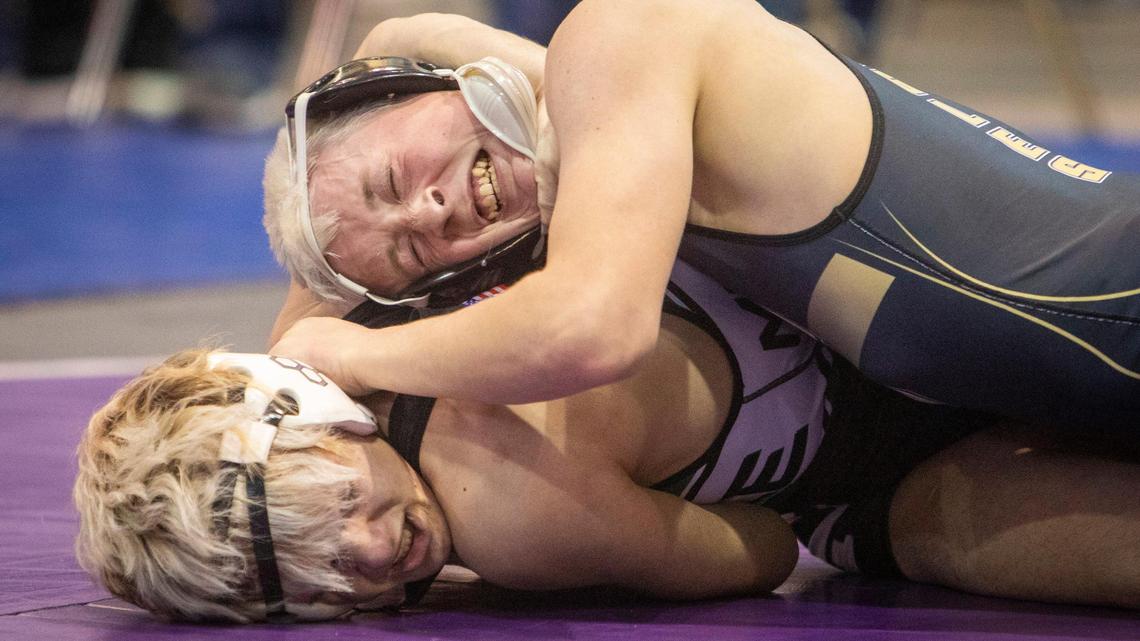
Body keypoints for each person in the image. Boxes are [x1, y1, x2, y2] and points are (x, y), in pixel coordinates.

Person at [74, 260, 1140, 623]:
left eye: (333, 511)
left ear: (315, 413)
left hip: (884, 457)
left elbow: (766, 553)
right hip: (868, 282)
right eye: (301, 584)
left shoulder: (508, 517)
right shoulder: (344, 289)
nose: (363, 556)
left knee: (916, 529)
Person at [265, 3, 1140, 431]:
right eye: (417, 252)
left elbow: (589, 330)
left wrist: (343, 351)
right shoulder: (629, 175)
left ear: (411, 90)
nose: (433, 208)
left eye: (390, 179)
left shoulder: (620, 35)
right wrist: (292, 348)